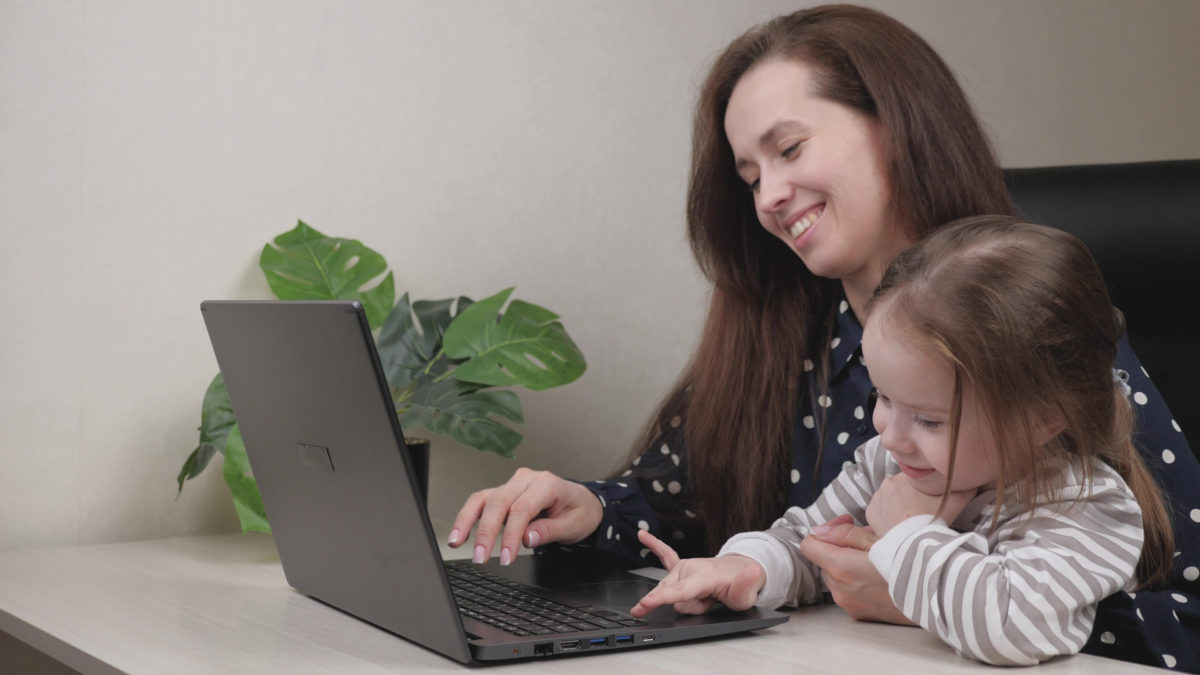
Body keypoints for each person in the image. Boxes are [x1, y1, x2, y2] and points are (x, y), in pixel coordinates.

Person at [448, 5, 1200, 670]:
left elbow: (1188, 616)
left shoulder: (1036, 350)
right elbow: (705, 514)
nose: (769, 198)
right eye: (749, 175)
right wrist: (593, 507)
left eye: (790, 149)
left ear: (898, 126)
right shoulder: (787, 333)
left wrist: (922, 591)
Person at [627, 216, 1173, 666]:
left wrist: (907, 531)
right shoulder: (891, 463)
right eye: (883, 398)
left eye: (929, 420)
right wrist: (747, 569)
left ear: (1043, 419)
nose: (888, 432)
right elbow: (809, 540)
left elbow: (1011, 625)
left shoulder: (1084, 505)